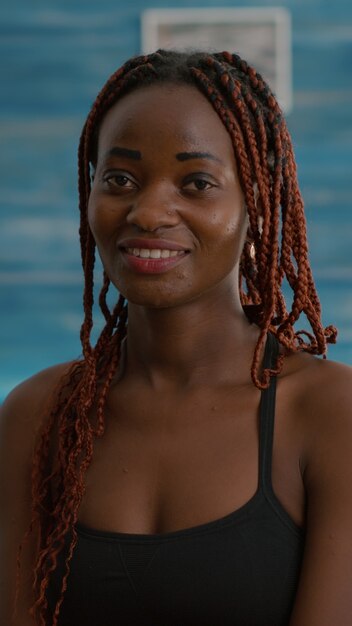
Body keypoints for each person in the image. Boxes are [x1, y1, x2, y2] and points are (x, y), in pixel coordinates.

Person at [1, 48, 352, 626]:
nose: (149, 210)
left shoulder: (327, 415)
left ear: (256, 205)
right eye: (120, 178)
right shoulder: (38, 415)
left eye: (196, 182)